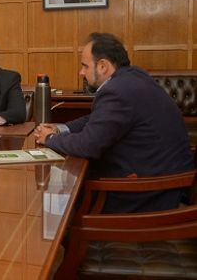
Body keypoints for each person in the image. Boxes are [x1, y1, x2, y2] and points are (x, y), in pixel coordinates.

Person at [34, 33, 195, 213]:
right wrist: (60, 128)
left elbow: (88, 145)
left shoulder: (117, 91)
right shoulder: (133, 77)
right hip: (166, 182)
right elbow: (94, 119)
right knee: (64, 190)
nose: (81, 72)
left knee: (57, 205)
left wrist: (49, 139)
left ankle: (78, 239)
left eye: (85, 66)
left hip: (149, 193)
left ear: (103, 66)